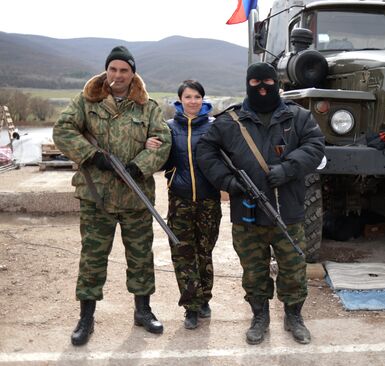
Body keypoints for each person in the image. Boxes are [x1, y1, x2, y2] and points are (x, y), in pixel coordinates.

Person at [196, 62, 325, 345]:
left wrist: (289, 168)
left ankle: (293, 317)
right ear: (247, 84)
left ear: (277, 83)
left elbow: (316, 146)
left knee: (293, 270)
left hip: (288, 211)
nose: (263, 88)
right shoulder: (231, 121)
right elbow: (205, 150)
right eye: (256, 83)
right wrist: (228, 183)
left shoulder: (298, 117)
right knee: (253, 272)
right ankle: (259, 317)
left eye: (268, 82)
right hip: (247, 214)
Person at [53, 46, 172, 346]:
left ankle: (143, 312)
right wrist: (92, 156)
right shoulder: (86, 101)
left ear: (133, 74)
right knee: (92, 258)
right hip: (98, 198)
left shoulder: (148, 107)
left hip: (136, 196)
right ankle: (86, 318)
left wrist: (137, 166)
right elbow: (63, 130)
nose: (118, 76)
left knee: (141, 257)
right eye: (113, 69)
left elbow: (164, 141)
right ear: (107, 71)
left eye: (125, 70)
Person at [146, 80, 221, 330]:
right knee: (182, 253)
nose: (193, 101)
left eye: (197, 96)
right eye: (188, 97)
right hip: (180, 201)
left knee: (204, 251)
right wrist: (150, 146)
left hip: (209, 201)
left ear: (203, 99)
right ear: (180, 101)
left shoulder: (215, 127)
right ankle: (190, 306)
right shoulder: (167, 128)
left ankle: (204, 300)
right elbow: (159, 162)